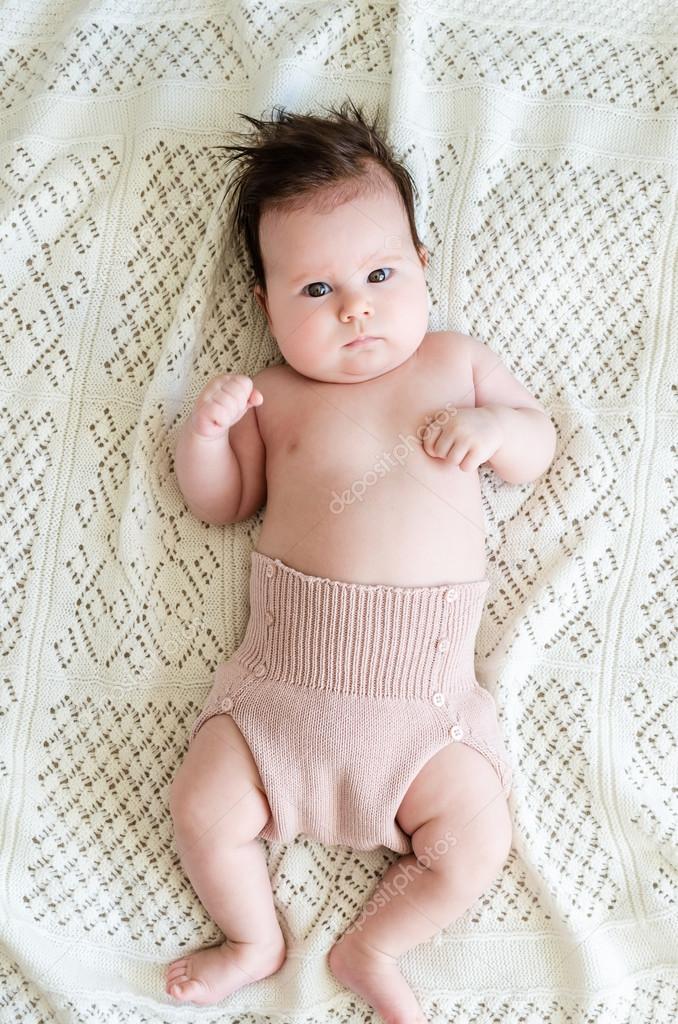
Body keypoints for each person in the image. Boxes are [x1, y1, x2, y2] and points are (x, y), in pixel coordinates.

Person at [166, 98, 557, 1024]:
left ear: (423, 265)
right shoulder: (273, 396)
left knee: (474, 840)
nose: (355, 309)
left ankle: (372, 945)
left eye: (380, 272)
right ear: (264, 304)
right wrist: (208, 435)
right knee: (202, 810)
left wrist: (496, 427)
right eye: (314, 292)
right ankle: (254, 939)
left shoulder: (456, 363)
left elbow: (537, 451)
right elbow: (222, 504)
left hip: (425, 714)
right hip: (277, 700)